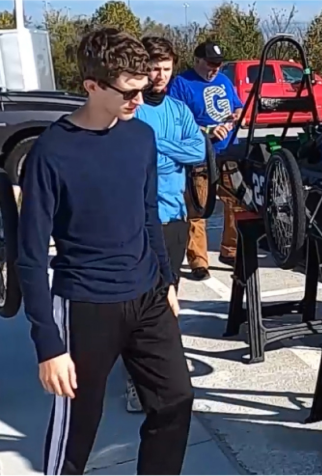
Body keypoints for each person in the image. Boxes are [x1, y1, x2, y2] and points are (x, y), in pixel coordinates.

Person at [17, 28, 194, 475]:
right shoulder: (51, 154)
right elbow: (32, 255)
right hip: (87, 304)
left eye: (144, 87)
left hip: (148, 296)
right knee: (79, 427)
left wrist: (166, 280)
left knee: (175, 400)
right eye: (130, 91)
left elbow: (148, 212)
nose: (141, 98)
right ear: (92, 86)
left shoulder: (140, 138)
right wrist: (48, 345)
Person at [124, 36, 206, 412]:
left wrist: (157, 145)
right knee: (140, 297)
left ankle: (164, 366)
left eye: (167, 68)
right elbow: (128, 149)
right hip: (138, 216)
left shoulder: (178, 109)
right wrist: (163, 147)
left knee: (170, 291)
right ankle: (133, 379)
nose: (160, 75)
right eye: (154, 68)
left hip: (174, 214)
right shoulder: (131, 109)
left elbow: (198, 150)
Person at [169, 40, 243, 279]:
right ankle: (198, 260)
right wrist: (207, 131)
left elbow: (238, 106)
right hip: (200, 154)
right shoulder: (181, 84)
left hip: (228, 150)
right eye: (210, 64)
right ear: (197, 60)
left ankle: (230, 250)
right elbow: (177, 122)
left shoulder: (224, 80)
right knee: (198, 207)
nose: (215, 70)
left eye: (218, 65)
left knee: (235, 203)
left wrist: (236, 115)